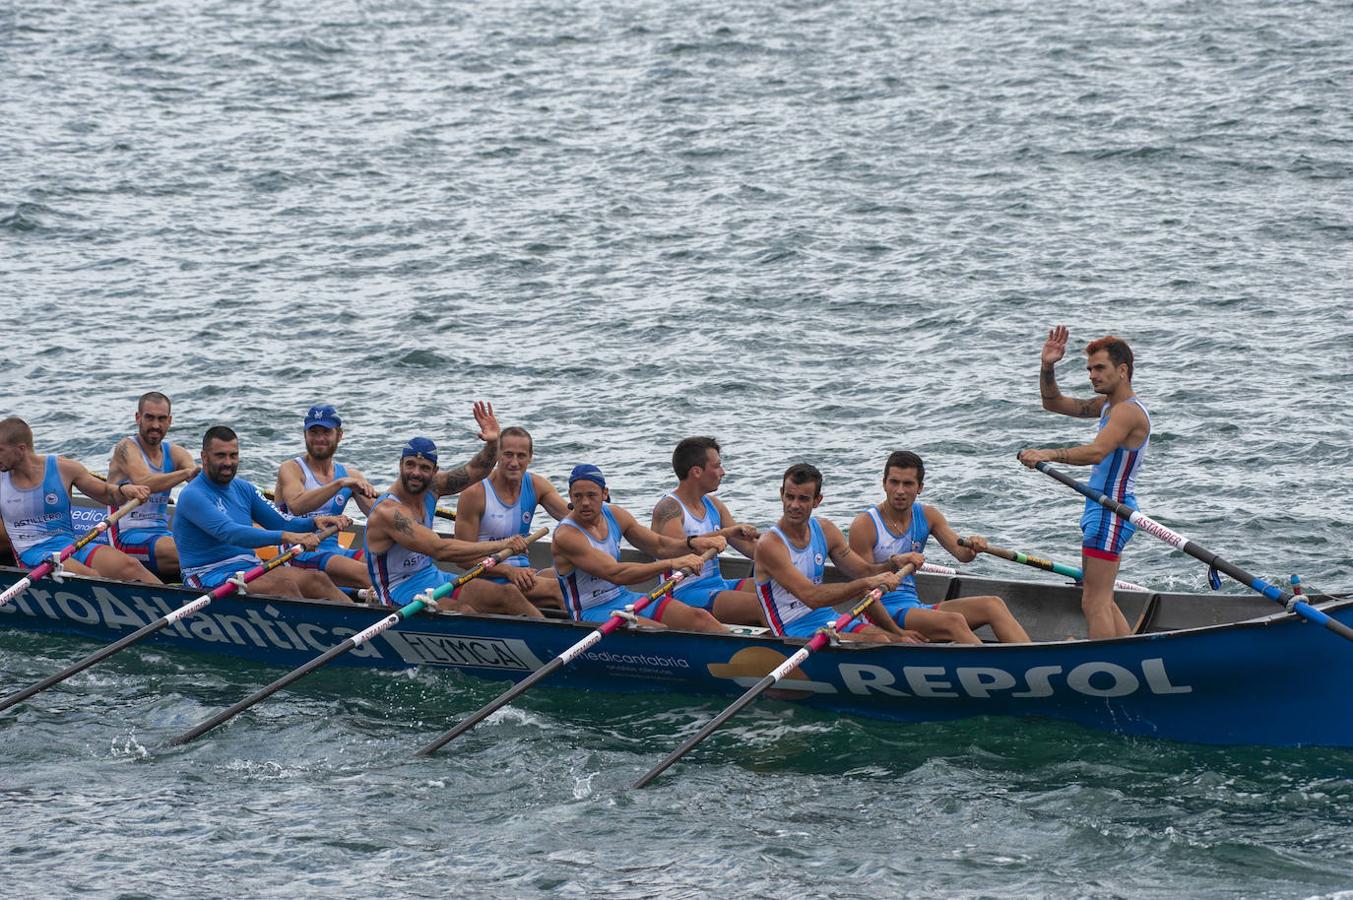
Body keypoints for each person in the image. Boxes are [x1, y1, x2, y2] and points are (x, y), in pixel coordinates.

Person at [1018, 326, 1151, 639]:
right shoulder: (1105, 406)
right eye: (1089, 369)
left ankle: (1108, 672)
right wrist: (1047, 366)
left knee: (1093, 601)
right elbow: (1053, 402)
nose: (1092, 375)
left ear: (1122, 370)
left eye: (1100, 368)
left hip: (1111, 512)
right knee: (1100, 597)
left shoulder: (1127, 413)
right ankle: (1127, 656)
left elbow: (1097, 451)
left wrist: (1046, 454)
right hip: (1100, 509)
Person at [848, 451, 1030, 644]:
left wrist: (975, 545)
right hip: (882, 612)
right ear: (884, 483)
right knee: (954, 621)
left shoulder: (928, 516)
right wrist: (897, 633)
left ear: (920, 488)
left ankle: (1030, 658)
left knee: (993, 605)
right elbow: (862, 591)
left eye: (908, 484)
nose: (900, 490)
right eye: (894, 482)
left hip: (913, 607)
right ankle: (999, 669)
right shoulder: (865, 525)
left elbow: (962, 554)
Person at [173, 426, 351, 600]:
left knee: (317, 579)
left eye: (233, 455)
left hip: (249, 567)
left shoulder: (244, 489)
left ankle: (358, 625)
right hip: (208, 574)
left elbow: (283, 522)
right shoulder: (192, 495)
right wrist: (290, 537)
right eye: (220, 455)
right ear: (204, 457)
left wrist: (314, 522)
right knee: (284, 587)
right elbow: (231, 533)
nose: (228, 462)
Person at [363, 435, 536, 614]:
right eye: (410, 464)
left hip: (431, 577)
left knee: (508, 594)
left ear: (434, 471)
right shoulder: (388, 512)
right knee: (463, 611)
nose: (416, 472)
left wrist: (493, 442)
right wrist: (503, 544)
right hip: (397, 591)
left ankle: (559, 640)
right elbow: (440, 550)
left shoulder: (432, 487)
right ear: (401, 464)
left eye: (424, 468)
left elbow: (476, 470)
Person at [755, 463, 922, 644]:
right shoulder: (770, 545)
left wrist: (894, 563)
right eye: (790, 497)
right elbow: (812, 597)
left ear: (817, 500)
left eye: (803, 499)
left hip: (829, 620)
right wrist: (867, 583)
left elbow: (864, 571)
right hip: (794, 632)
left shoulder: (826, 530)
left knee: (897, 640)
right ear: (782, 494)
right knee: (881, 641)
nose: (794, 505)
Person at [552, 464, 726, 632]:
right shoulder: (566, 535)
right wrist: (672, 563)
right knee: (659, 632)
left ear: (604, 493)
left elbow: (659, 545)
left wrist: (692, 543)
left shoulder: (615, 515)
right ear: (570, 496)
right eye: (578, 496)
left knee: (699, 618)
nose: (584, 503)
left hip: (623, 598)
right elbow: (616, 574)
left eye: (591, 495)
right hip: (591, 611)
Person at [0, 416, 158, 583]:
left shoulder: (64, 468)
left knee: (130, 565)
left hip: (70, 545)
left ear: (21, 449)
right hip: (32, 554)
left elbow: (107, 494)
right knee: (92, 578)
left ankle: (183, 604)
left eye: (0, 450)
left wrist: (124, 490)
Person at [453, 425, 569, 610]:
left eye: (521, 456)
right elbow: (460, 557)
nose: (514, 462)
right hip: (488, 578)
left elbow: (573, 518)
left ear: (530, 457)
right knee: (560, 589)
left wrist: (597, 504)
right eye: (508, 454)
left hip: (523, 575)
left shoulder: (537, 485)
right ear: (498, 454)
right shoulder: (475, 494)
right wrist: (508, 571)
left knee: (570, 577)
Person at [650, 437, 762, 625]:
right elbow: (679, 549)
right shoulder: (669, 509)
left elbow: (751, 549)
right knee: (761, 605)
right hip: (683, 593)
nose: (722, 472)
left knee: (779, 591)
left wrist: (786, 547)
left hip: (718, 584)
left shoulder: (714, 505)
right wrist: (727, 532)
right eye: (717, 466)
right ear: (696, 471)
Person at [272, 404, 377, 590]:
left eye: (326, 432)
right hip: (297, 551)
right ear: (305, 435)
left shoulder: (350, 475)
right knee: (367, 575)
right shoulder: (291, 469)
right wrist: (339, 484)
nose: (319, 438)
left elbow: (379, 516)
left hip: (333, 549)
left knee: (385, 568)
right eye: (313, 432)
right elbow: (296, 505)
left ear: (339, 435)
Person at [105, 391, 200, 580]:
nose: (155, 425)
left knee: (211, 545)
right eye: (149, 418)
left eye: (162, 419)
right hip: (126, 537)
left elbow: (200, 483)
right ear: (138, 418)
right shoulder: (126, 448)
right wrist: (185, 473)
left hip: (161, 533)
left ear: (170, 420)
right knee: (192, 552)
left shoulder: (176, 453)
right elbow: (144, 481)